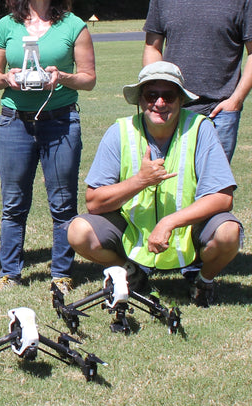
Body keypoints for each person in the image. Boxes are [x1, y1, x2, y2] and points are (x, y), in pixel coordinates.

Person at [65, 61, 241, 307]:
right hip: (133, 231)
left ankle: (202, 279)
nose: (159, 103)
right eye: (151, 95)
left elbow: (223, 198)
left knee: (229, 233)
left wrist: (169, 222)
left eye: (168, 96)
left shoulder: (201, 129)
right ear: (140, 100)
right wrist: (140, 181)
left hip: (188, 232)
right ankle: (130, 273)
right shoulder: (120, 131)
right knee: (78, 231)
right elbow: (94, 202)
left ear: (180, 100)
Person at [0, 0, 96, 289]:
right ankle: (10, 272)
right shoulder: (7, 25)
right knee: (13, 202)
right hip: (14, 122)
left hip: (60, 122)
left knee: (62, 201)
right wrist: (7, 78)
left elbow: (88, 78)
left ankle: (61, 274)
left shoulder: (73, 25)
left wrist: (61, 77)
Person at [143, 0, 252, 161]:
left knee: (214, 190)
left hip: (219, 112)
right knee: (167, 183)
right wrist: (157, 93)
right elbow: (152, 47)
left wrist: (236, 100)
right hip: (170, 107)